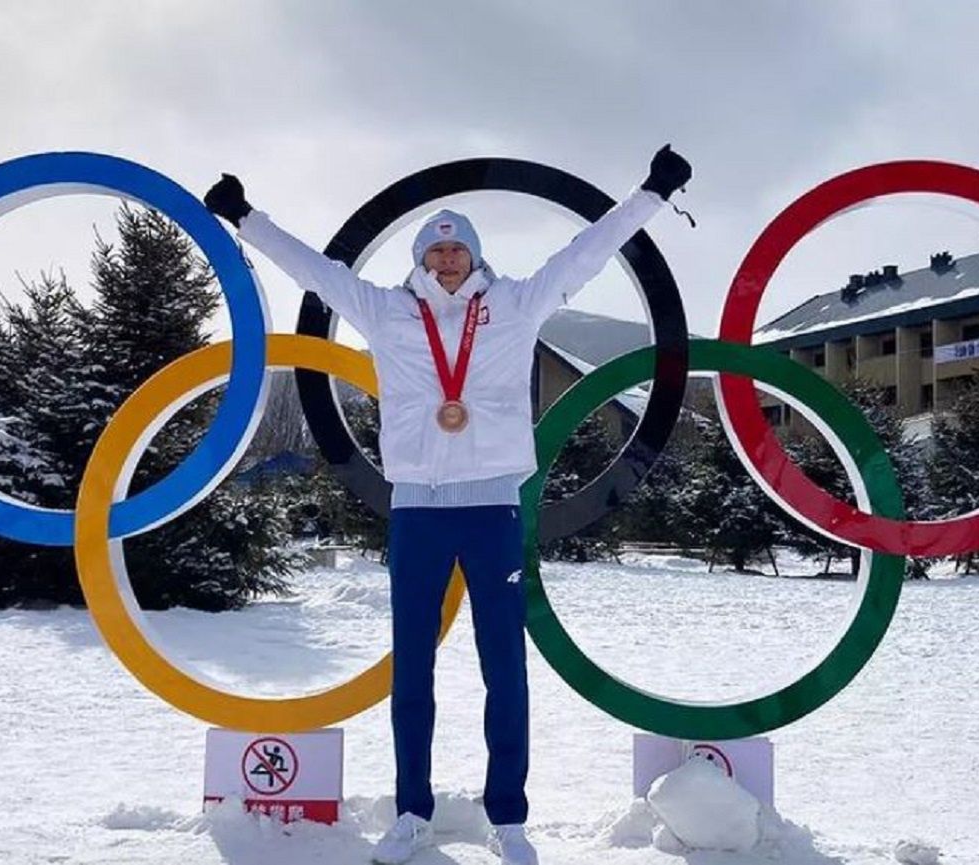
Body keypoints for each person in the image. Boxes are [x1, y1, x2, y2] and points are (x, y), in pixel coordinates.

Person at [204, 145, 692, 865]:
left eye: (458, 248)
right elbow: (316, 271)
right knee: (413, 672)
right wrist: (247, 217)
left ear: (475, 254)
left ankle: (511, 818)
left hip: (493, 508)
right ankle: (410, 812)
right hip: (417, 512)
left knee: (505, 666)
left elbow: (585, 253)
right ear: (420, 261)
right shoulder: (386, 312)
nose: (448, 260)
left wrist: (650, 193)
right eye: (436, 252)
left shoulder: (516, 304)